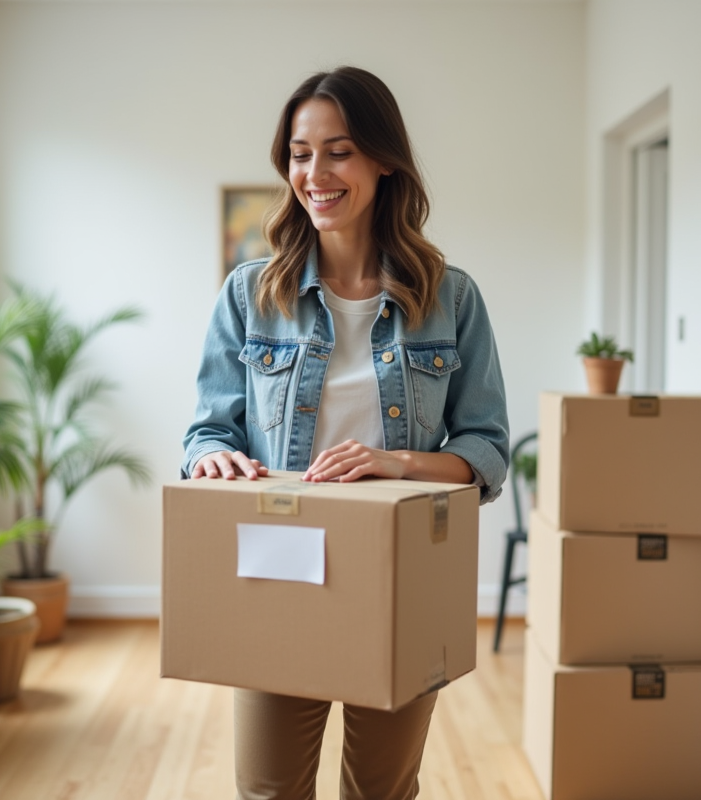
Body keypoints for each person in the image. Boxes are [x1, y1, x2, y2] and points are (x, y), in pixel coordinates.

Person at [182, 66, 510, 800]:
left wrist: (390, 462)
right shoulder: (249, 295)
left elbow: (485, 452)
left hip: (401, 581)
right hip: (277, 572)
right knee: (268, 790)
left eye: (339, 150)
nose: (315, 173)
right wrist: (216, 459)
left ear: (383, 160)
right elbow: (206, 430)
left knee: (382, 793)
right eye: (300, 153)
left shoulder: (450, 298)